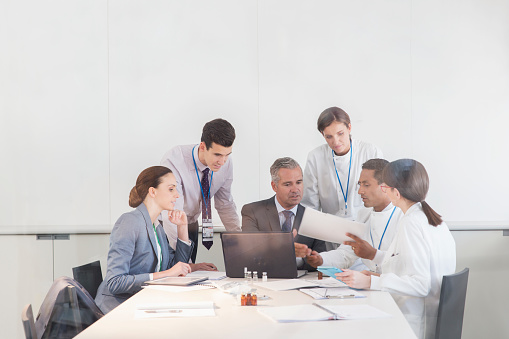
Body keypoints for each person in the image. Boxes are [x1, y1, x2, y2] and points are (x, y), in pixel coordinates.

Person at [336, 159, 456, 339]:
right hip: (428, 313)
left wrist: (371, 282)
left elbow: (421, 285)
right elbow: (408, 262)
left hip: (414, 322)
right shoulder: (428, 217)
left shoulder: (411, 223)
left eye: (385, 187)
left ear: (396, 192)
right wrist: (375, 267)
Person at [96, 166, 193, 314]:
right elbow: (115, 282)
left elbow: (176, 268)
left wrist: (182, 228)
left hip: (142, 304)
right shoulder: (129, 222)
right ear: (152, 191)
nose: (177, 195)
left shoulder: (157, 227)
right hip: (117, 307)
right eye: (171, 189)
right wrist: (166, 274)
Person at [160, 118, 241, 268]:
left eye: (227, 155)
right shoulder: (175, 159)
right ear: (203, 146)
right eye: (217, 155)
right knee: (176, 273)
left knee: (188, 278)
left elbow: (225, 205)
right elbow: (170, 213)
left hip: (191, 224)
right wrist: (190, 266)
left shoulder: (226, 163)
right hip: (167, 225)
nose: (222, 162)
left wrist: (241, 242)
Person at [302, 107, 383, 250]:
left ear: (349, 127)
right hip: (330, 235)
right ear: (322, 134)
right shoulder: (315, 157)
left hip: (367, 232)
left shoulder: (370, 151)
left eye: (340, 134)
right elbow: (310, 205)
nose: (336, 141)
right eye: (329, 137)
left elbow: (382, 197)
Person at [306, 159, 403, 273]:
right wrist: (321, 259)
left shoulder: (404, 216)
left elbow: (406, 264)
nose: (360, 191)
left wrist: (373, 254)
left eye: (366, 185)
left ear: (386, 186)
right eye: (360, 184)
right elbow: (346, 253)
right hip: (372, 284)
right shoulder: (363, 214)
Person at [241, 157, 325, 271]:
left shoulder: (314, 218)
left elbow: (320, 261)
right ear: (274, 186)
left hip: (302, 283)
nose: (295, 189)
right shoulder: (252, 211)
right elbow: (250, 253)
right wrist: (286, 251)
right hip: (265, 280)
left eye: (299, 182)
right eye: (288, 184)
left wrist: (303, 258)